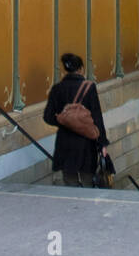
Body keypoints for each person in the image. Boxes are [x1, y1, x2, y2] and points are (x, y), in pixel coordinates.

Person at [42, 53, 110, 187]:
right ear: (81, 69)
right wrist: (102, 143)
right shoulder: (89, 87)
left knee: (70, 181)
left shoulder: (57, 89)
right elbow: (97, 117)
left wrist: (66, 121)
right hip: (86, 144)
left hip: (65, 143)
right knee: (88, 181)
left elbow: (48, 117)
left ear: (65, 70)